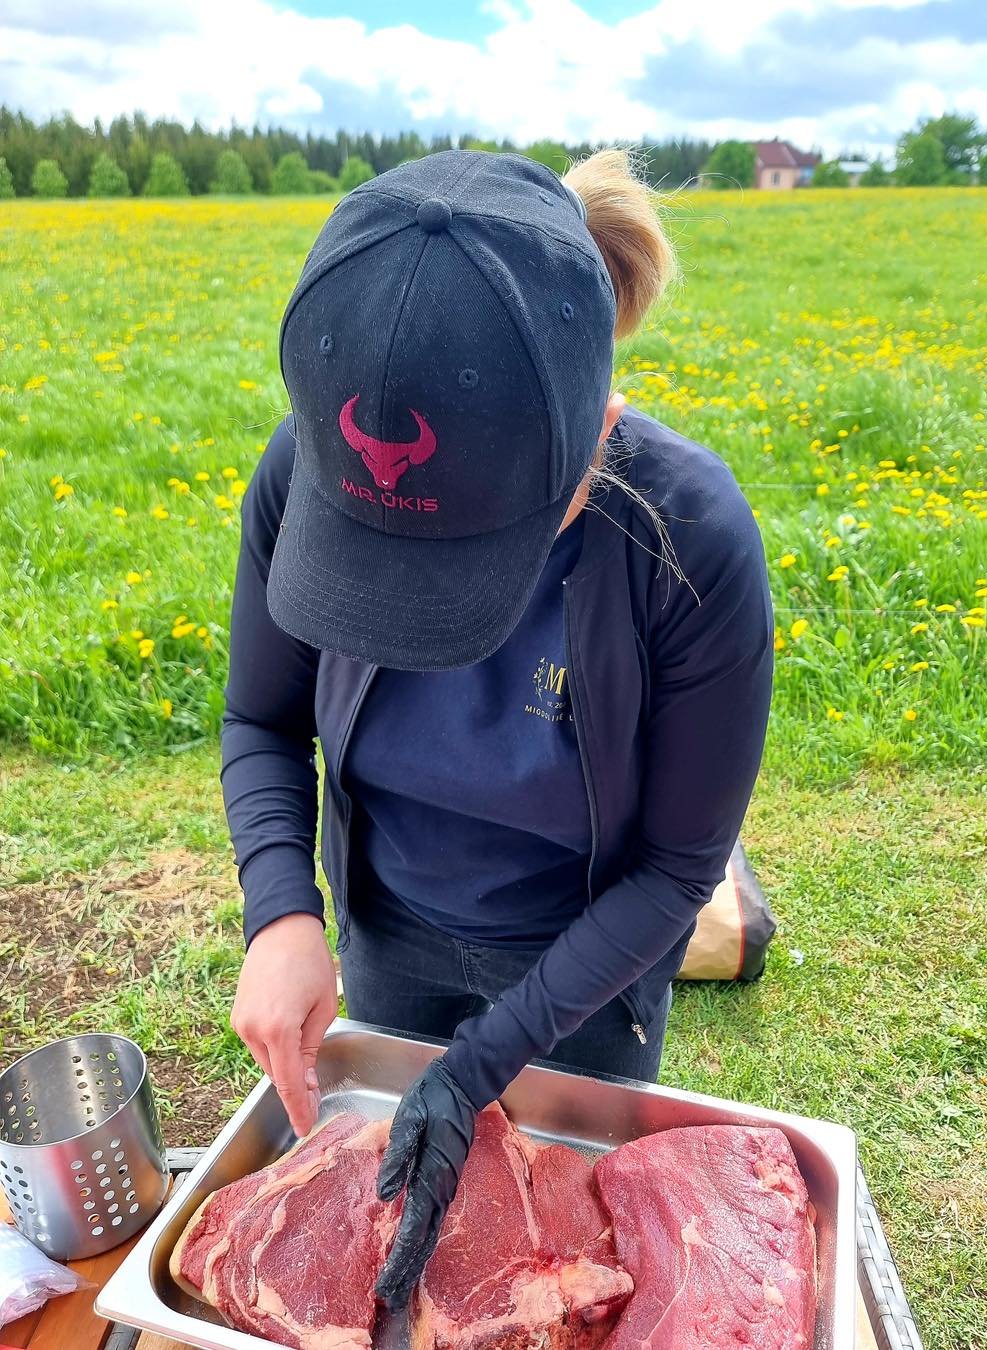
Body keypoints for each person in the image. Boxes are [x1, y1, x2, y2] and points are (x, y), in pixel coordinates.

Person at [223, 147, 773, 1311]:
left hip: (587, 959)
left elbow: (680, 867)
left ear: (599, 430)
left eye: (466, 557)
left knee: (556, 1263)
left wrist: (484, 1059)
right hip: (391, 926)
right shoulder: (303, 471)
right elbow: (261, 717)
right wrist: (281, 910)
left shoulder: (689, 540)